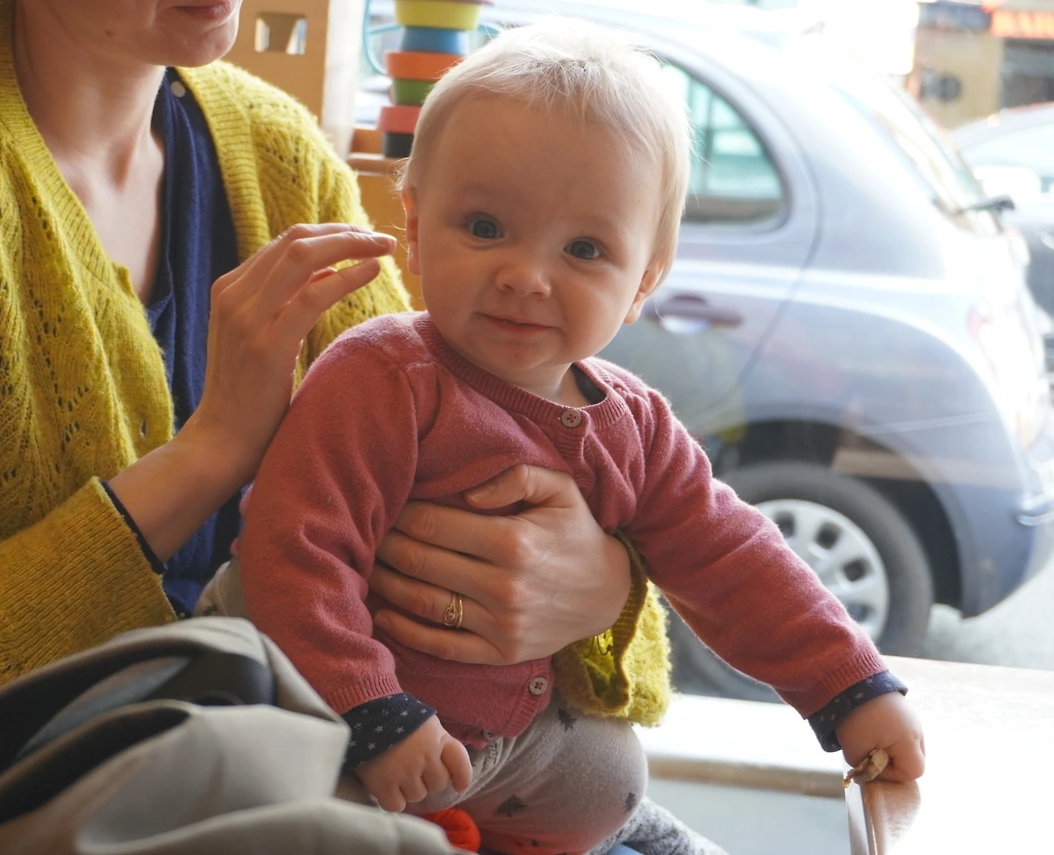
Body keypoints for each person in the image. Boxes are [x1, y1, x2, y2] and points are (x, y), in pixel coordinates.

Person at [0, 0, 652, 827]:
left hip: (378, 778)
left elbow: (576, 505)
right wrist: (211, 452)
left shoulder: (278, 153)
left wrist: (603, 591)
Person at [226, 22, 927, 855]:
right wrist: (371, 710)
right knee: (314, 811)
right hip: (361, 731)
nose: (526, 275)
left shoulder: (634, 423)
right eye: (484, 226)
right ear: (412, 226)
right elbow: (292, 555)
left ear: (644, 281)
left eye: (585, 249)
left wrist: (850, 686)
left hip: (514, 750)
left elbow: (734, 559)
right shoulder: (382, 378)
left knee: (612, 775)